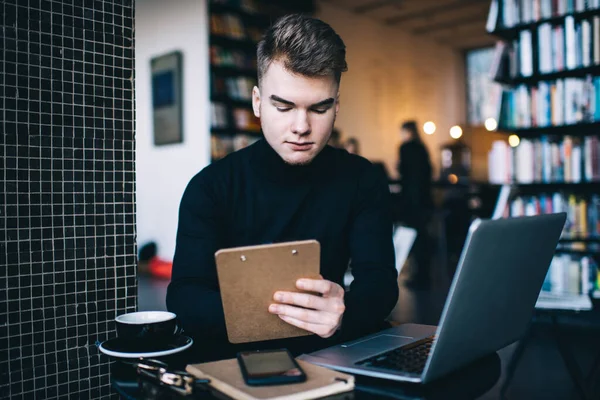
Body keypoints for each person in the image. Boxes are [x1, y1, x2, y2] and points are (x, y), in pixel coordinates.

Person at [167, 14, 399, 360]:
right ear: (258, 102)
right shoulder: (210, 188)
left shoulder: (363, 179)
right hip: (230, 360)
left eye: (319, 108)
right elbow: (184, 296)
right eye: (283, 106)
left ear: (336, 107)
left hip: (331, 352)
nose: (301, 127)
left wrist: (345, 311)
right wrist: (280, 315)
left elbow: (380, 283)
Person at [397, 121, 433, 288]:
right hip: (424, 199)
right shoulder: (422, 147)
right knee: (423, 238)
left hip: (411, 200)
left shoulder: (405, 148)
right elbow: (428, 171)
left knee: (415, 238)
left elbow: (403, 172)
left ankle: (418, 276)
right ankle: (423, 275)